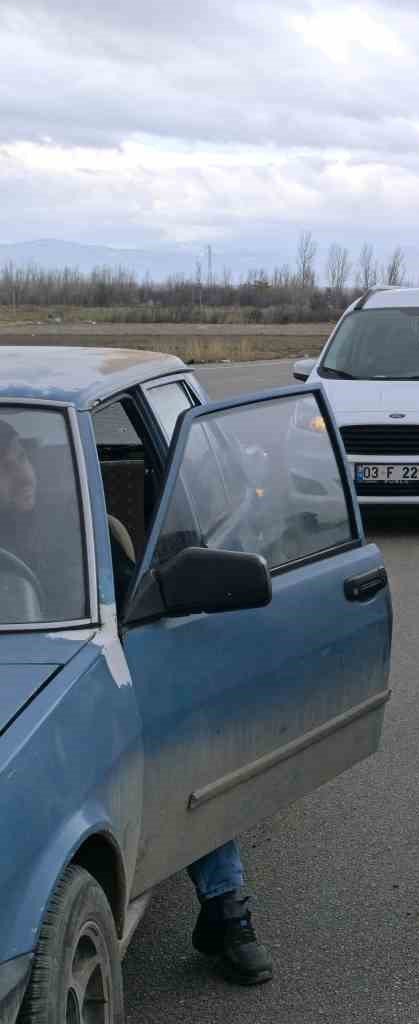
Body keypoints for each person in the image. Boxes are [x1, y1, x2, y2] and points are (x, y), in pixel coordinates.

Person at [0, 417, 275, 986]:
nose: (21, 474)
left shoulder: (78, 527)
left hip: (98, 671)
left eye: (22, 458)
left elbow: (135, 616)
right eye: (4, 467)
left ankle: (227, 911)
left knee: (185, 755)